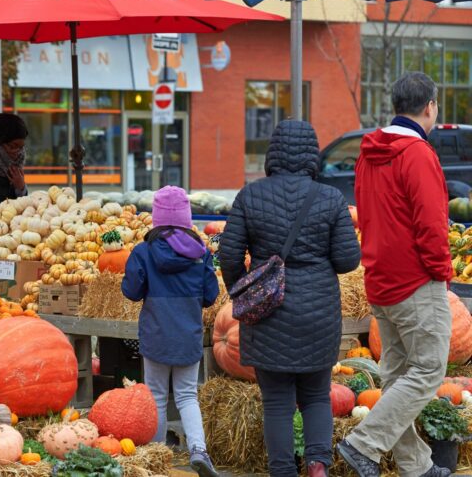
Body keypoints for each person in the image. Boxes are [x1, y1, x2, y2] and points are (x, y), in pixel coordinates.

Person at [219, 120, 361, 477]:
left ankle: (282, 470)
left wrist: (244, 287)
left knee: (277, 401)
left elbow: (229, 254)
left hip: (268, 315)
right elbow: (348, 260)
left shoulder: (250, 195)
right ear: (313, 154)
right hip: (319, 314)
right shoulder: (329, 197)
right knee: (316, 396)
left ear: (273, 153)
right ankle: (317, 466)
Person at [338, 72, 453, 477]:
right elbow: (432, 225)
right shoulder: (418, 155)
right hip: (416, 281)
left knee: (398, 375)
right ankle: (363, 443)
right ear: (430, 107)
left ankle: (416, 465)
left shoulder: (368, 152)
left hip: (380, 280)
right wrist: (443, 273)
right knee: (427, 370)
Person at [121, 185, 220, 477]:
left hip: (156, 334)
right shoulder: (200, 253)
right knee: (188, 395)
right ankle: (199, 450)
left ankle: (157, 454)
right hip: (188, 335)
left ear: (157, 218)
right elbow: (210, 296)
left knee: (157, 397)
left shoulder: (143, 251)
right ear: (187, 219)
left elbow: (132, 291)